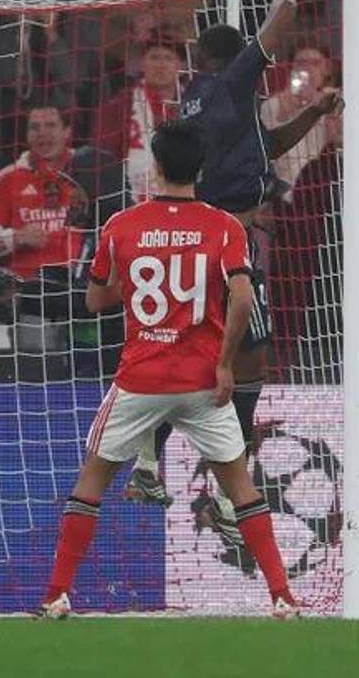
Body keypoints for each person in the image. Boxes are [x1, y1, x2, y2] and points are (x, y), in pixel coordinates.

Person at [39, 119, 297, 621]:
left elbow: (94, 301)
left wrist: (135, 286)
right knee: (241, 488)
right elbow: (242, 296)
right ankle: (282, 596)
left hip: (141, 380)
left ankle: (56, 594)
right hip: (203, 381)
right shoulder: (226, 227)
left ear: (155, 167)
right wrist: (225, 364)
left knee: (90, 483)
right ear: (201, 168)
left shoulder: (121, 225)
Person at [124, 0, 341, 515]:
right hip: (227, 239)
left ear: (199, 58)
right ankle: (227, 485)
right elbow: (270, 38)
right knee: (249, 357)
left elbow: (265, 145)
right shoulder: (229, 84)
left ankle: (151, 462)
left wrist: (314, 113)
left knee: (192, 351)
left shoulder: (201, 105)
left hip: (199, 237)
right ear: (233, 61)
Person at [0, 104, 85, 281]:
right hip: (23, 290)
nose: (42, 133)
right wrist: (17, 237)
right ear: (27, 135)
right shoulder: (7, 178)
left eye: (50, 126)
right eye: (35, 127)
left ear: (67, 132)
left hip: (80, 287)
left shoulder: (90, 171)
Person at [93, 35, 182, 201]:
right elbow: (104, 158)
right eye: (154, 57)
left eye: (168, 58)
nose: (161, 65)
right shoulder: (118, 107)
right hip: (127, 198)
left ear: (180, 65)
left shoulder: (193, 103)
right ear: (141, 63)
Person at [260, 44, 342, 190]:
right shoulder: (273, 104)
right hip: (282, 189)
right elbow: (265, 147)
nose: (308, 69)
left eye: (315, 63)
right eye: (301, 63)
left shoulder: (336, 101)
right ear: (291, 67)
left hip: (323, 186)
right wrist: (285, 110)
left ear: (327, 68)